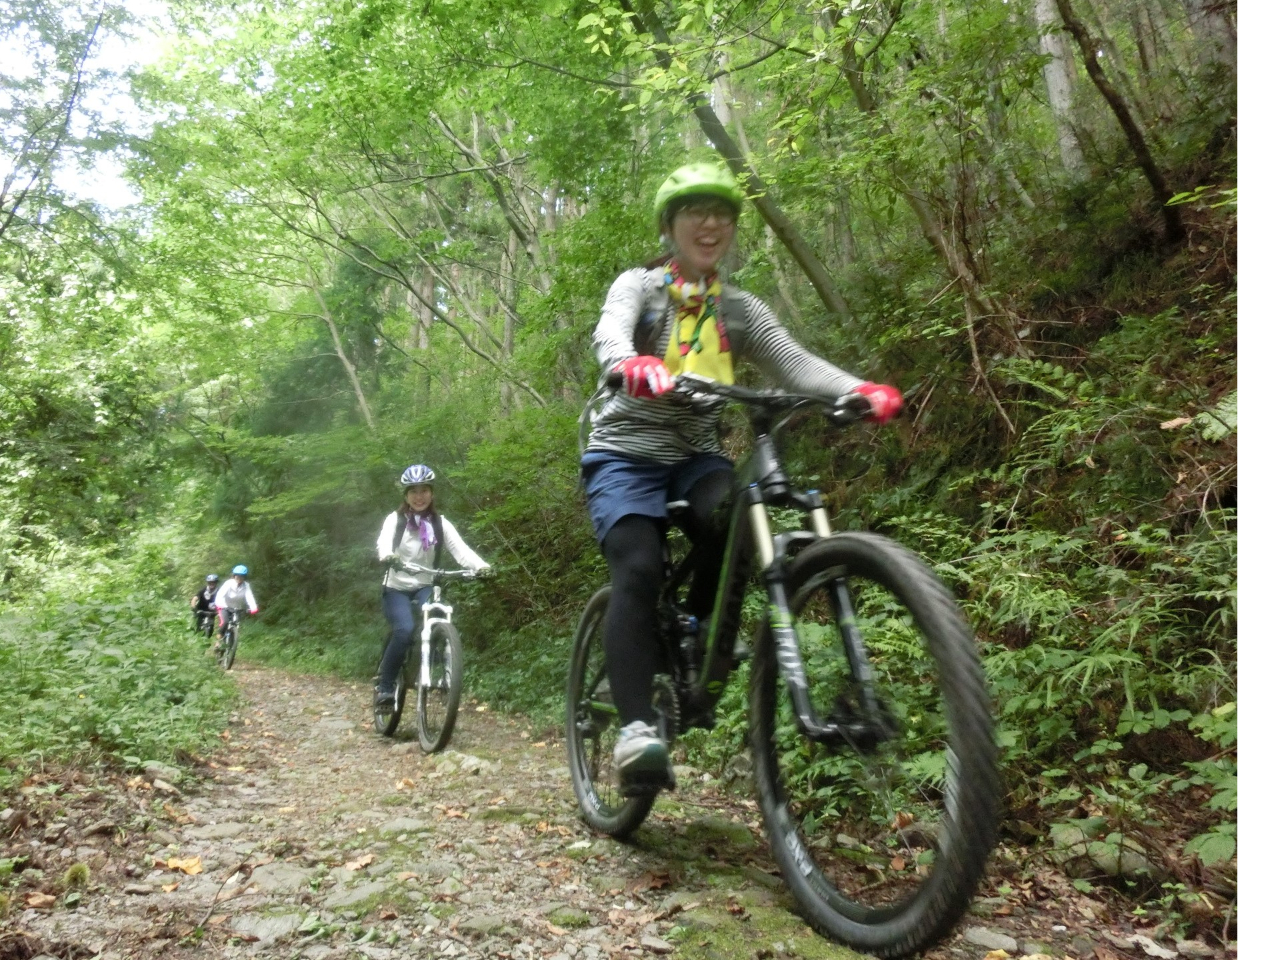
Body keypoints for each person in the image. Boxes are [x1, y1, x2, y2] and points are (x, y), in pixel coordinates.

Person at [581, 161, 904, 793]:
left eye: (723, 214)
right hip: (624, 452)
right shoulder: (641, 289)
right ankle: (636, 731)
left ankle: (699, 641)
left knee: (731, 520)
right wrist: (631, 363)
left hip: (696, 453)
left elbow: (793, 362)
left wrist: (858, 389)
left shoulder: (738, 308)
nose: (711, 224)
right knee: (640, 567)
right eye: (696, 212)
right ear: (670, 226)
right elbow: (610, 334)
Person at [374, 465, 491, 708]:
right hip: (396, 588)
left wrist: (482, 567)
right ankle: (385, 686)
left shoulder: (440, 523)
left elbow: (462, 550)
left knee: (438, 614)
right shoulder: (395, 521)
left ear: (432, 493)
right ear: (406, 495)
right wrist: (387, 556)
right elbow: (384, 543)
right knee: (404, 630)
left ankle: (432, 658)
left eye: (424, 490)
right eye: (413, 491)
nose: (419, 496)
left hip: (425, 585)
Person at [214, 564, 259, 646]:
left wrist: (253, 608)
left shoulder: (246, 585)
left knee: (235, 624)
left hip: (237, 608)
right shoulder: (229, 583)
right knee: (225, 622)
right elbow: (220, 595)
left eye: (241, 576)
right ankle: (218, 641)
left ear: (244, 577)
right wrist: (222, 605)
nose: (239, 578)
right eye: (237, 576)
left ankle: (232, 642)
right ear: (234, 576)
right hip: (224, 606)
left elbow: (249, 597)